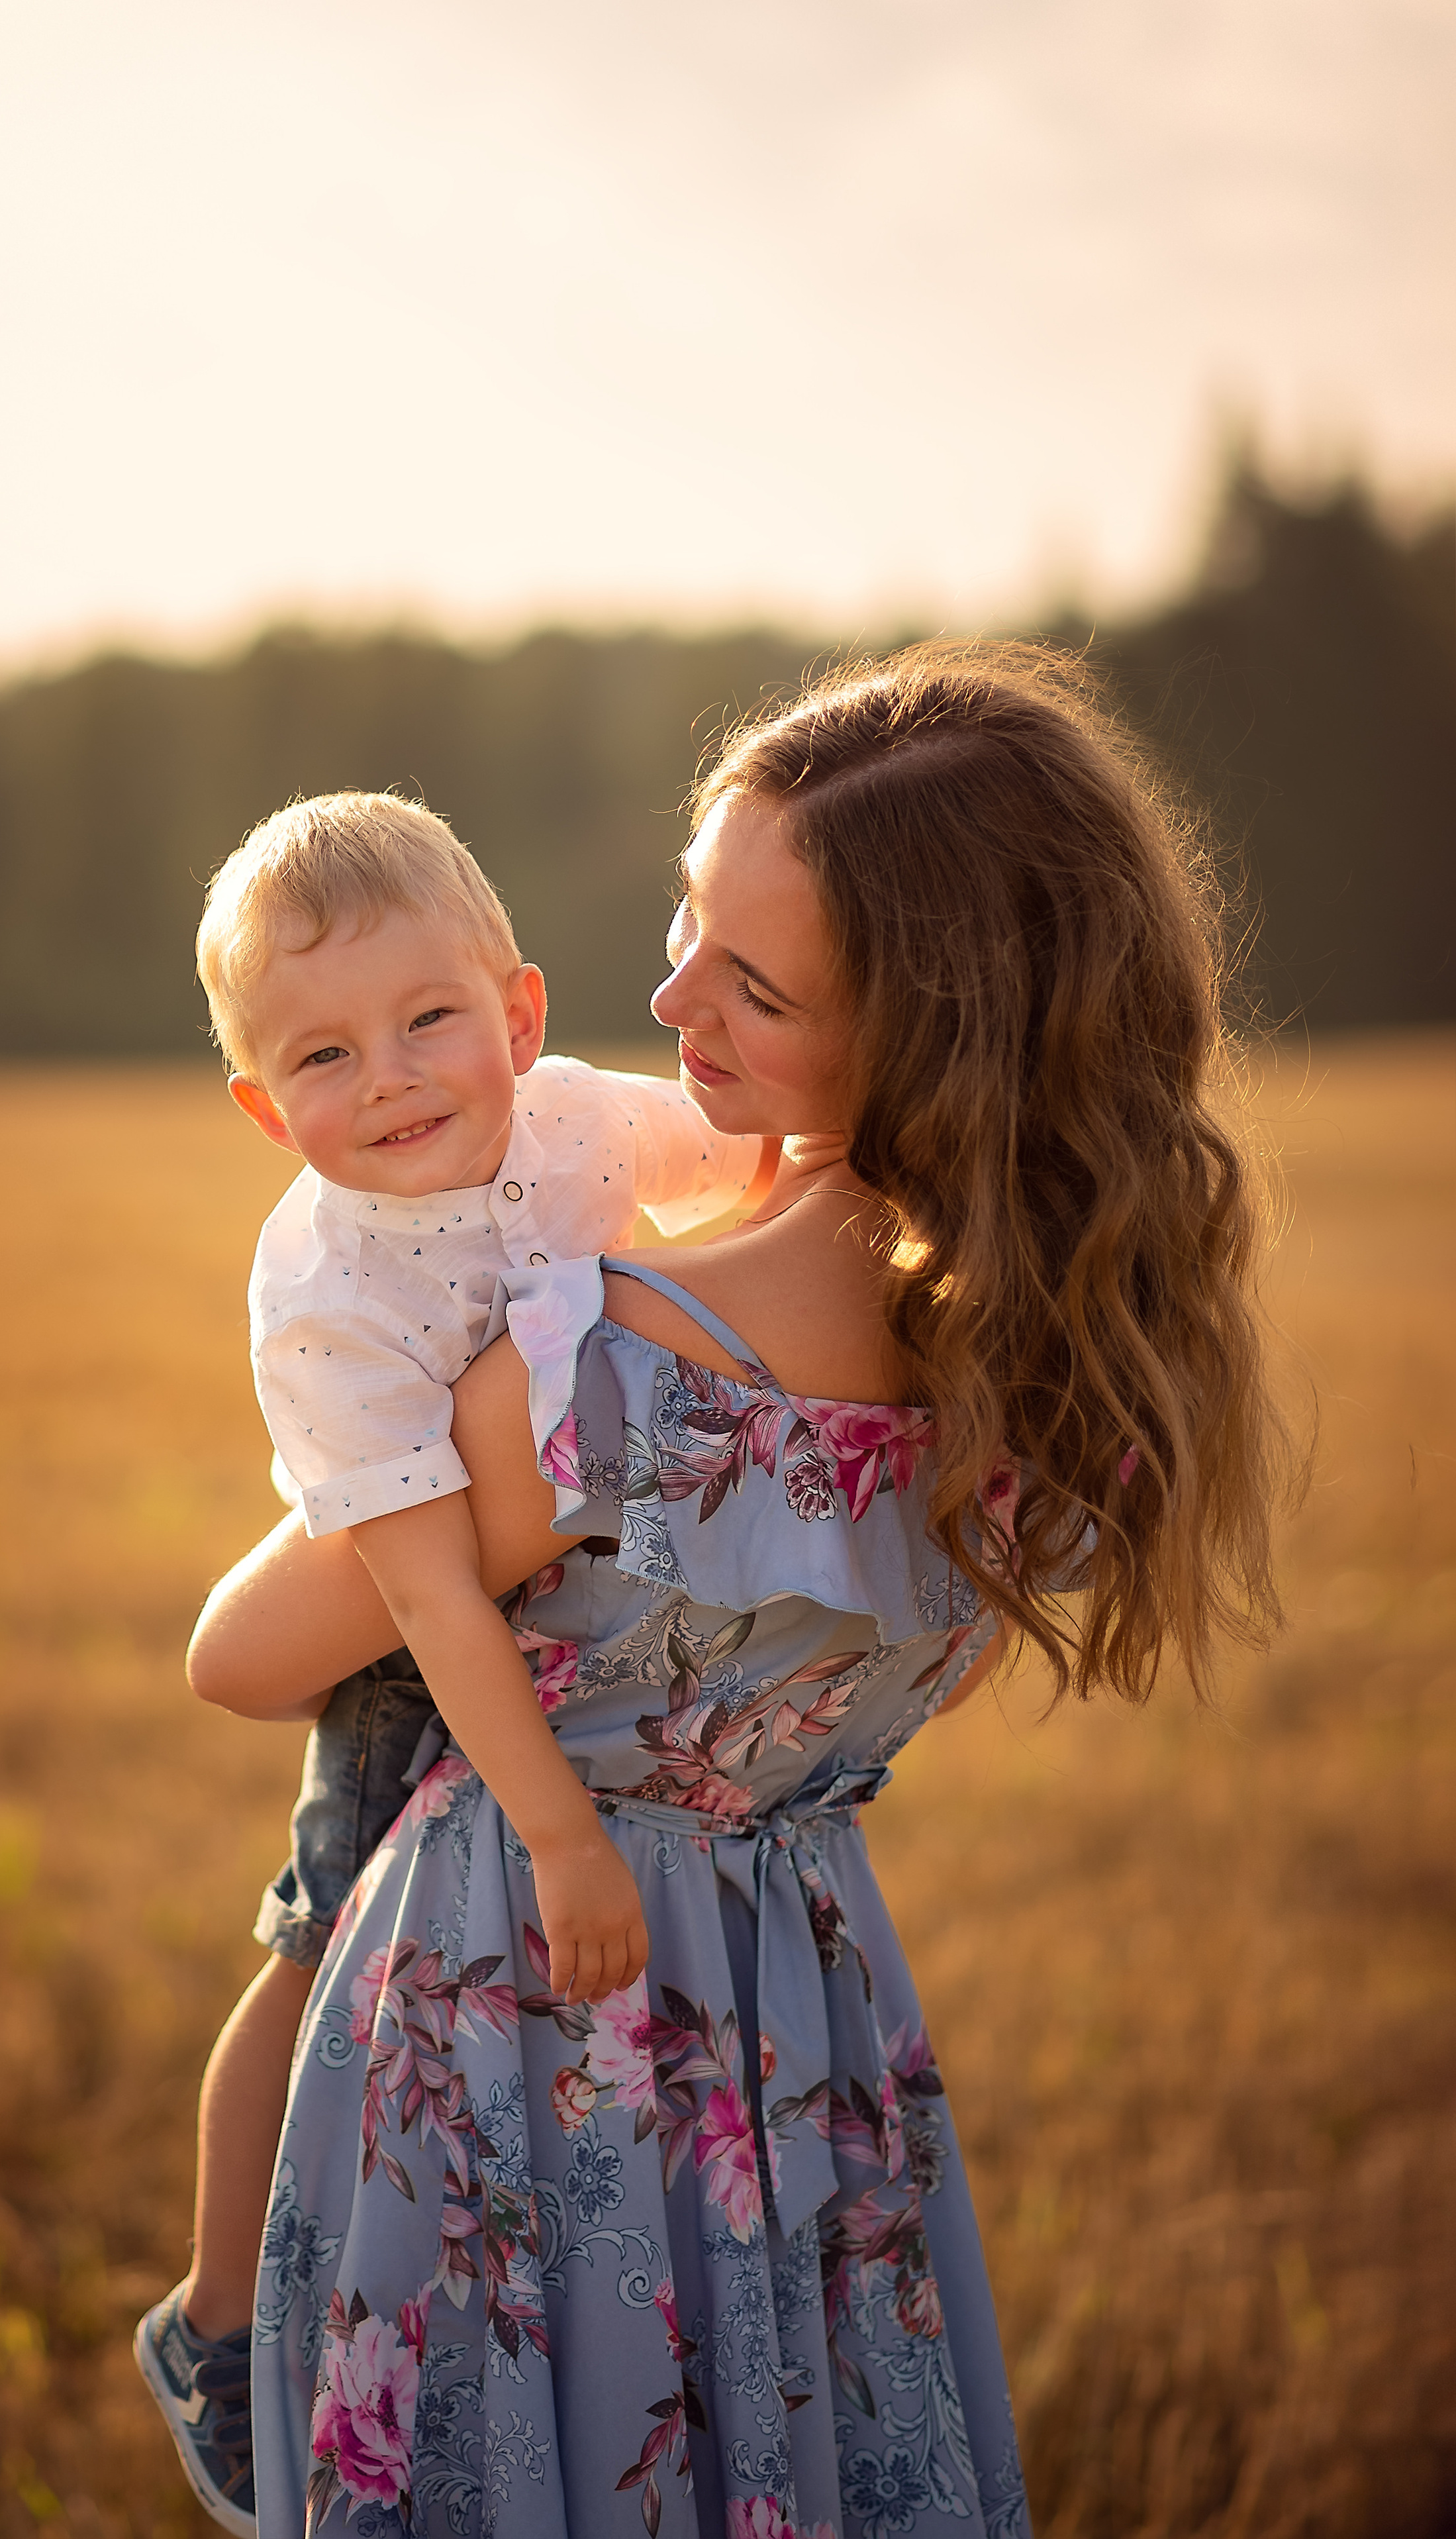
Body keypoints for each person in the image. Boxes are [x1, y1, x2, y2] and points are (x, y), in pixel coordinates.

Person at [187, 644, 1290, 2538]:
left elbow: (243, 1653)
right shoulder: (1058, 1361)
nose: (665, 994)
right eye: (693, 925)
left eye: (752, 982)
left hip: (522, 2018)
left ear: (927, 1028)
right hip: (799, 2040)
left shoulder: (619, 1352)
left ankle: (203, 2349)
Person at [135, 791, 775, 2532]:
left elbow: (759, 1182)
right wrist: (559, 1830)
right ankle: (215, 2330)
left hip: (567, 1609)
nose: (397, 1076)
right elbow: (421, 1594)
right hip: (412, 1655)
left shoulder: (575, 1126)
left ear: (521, 1016)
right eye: (327, 1054)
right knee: (318, 1951)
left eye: (430, 1019)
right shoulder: (327, 1282)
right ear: (267, 1107)